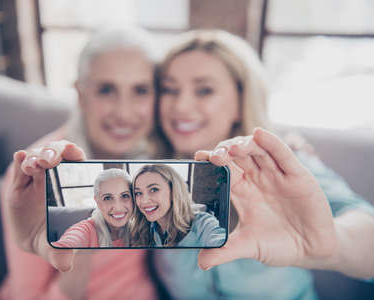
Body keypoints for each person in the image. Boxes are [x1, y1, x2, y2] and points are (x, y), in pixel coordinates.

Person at [151, 29, 374, 299]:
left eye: (204, 90)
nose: (181, 106)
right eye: (169, 89)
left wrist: (331, 245)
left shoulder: (283, 166)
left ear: (240, 101)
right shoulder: (152, 175)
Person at [0, 27, 158, 300]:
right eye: (106, 90)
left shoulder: (158, 155)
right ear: (80, 94)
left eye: (140, 90)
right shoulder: (32, 177)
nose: (124, 112)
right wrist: (83, 251)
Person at [131, 164, 226, 247]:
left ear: (174, 191)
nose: (144, 201)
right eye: (138, 193)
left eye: (154, 190)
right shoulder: (142, 229)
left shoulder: (202, 224)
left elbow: (219, 241)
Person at [52, 168, 134, 248]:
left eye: (125, 196)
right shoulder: (85, 230)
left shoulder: (138, 229)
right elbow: (68, 243)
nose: (118, 208)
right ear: (98, 202)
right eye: (107, 198)